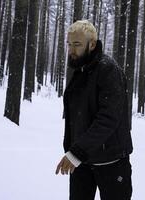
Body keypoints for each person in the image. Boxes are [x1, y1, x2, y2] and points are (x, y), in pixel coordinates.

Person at [55, 20, 133, 200]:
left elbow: (108, 118)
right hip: (82, 162)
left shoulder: (109, 70)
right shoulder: (81, 71)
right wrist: (73, 150)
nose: (71, 50)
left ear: (91, 44)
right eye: (69, 44)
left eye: (77, 44)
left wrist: (76, 152)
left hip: (112, 162)